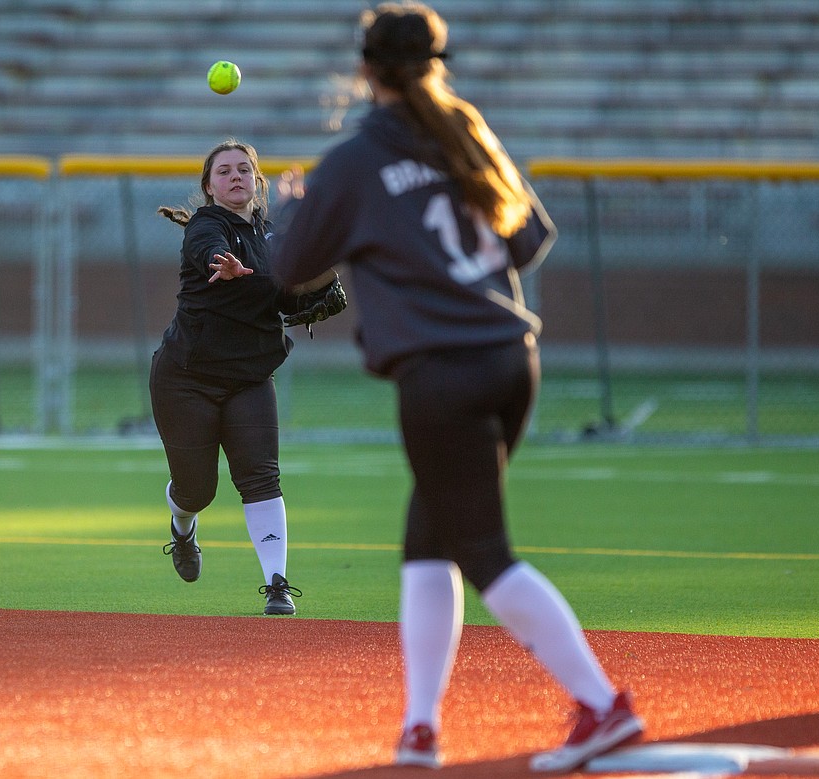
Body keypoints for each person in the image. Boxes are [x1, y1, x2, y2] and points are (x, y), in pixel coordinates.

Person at [270, 1, 644, 769]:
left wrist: (290, 205)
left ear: (366, 70)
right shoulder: (463, 129)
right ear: (435, 63)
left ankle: (603, 705)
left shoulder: (356, 160)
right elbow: (530, 241)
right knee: (427, 542)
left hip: (443, 371)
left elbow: (286, 270)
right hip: (509, 357)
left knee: (482, 550)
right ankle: (420, 726)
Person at [151, 138, 342, 616]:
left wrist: (317, 273)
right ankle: (182, 526)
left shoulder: (273, 236)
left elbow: (296, 296)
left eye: (243, 169)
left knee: (261, 478)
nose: (235, 176)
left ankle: (277, 584)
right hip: (187, 379)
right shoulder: (205, 226)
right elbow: (210, 251)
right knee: (199, 490)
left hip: (250, 377)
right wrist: (233, 266)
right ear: (209, 186)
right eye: (224, 171)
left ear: (257, 181)